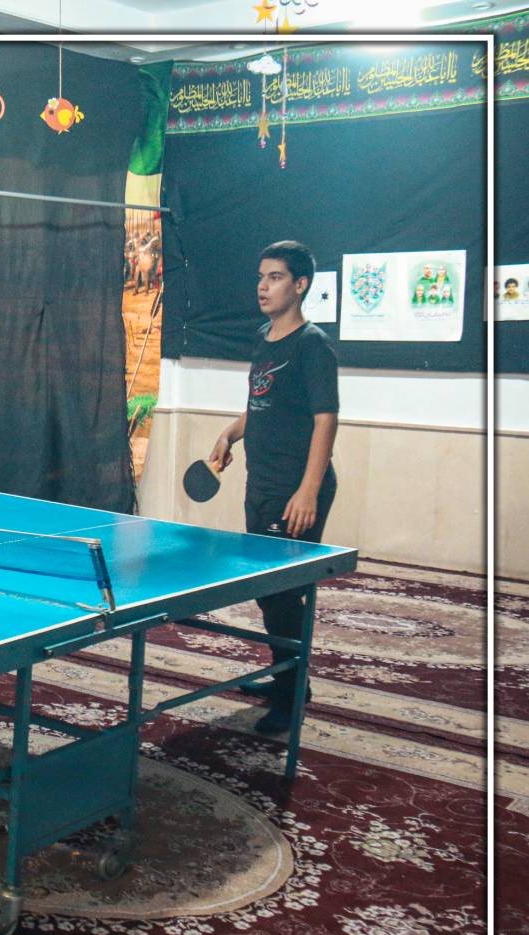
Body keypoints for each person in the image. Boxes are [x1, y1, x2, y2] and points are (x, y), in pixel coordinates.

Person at [208, 240, 340, 736]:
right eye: (261, 277)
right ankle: (287, 676)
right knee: (269, 593)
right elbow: (260, 404)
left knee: (283, 595)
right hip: (260, 485)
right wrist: (229, 434)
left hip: (294, 490)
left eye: (276, 277)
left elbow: (325, 419)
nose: (263, 287)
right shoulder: (265, 339)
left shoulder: (312, 345)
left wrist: (308, 490)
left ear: (300, 284)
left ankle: (291, 693)